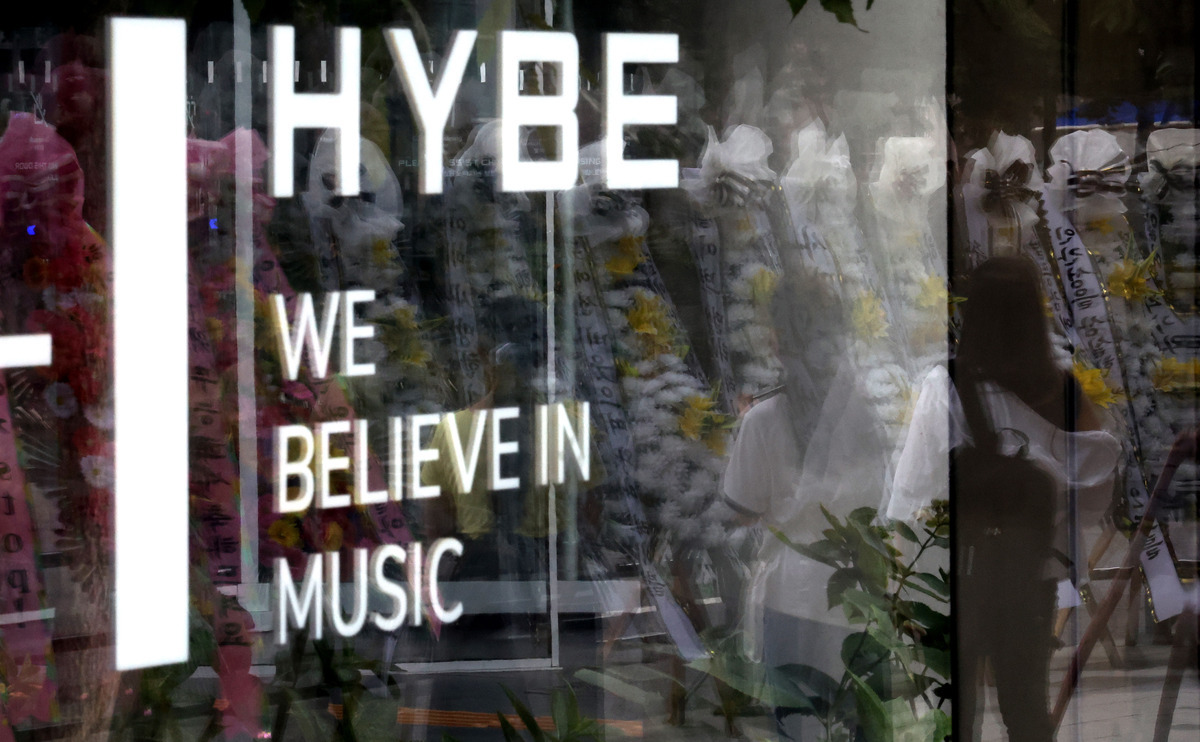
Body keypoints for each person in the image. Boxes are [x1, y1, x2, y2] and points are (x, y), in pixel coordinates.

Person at [893, 257, 1119, 741]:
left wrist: (901, 577)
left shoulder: (948, 385)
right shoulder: (1062, 388)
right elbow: (1095, 487)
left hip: (959, 575)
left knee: (955, 710)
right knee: (1026, 707)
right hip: (1031, 574)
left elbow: (916, 489)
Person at [723, 272, 890, 740]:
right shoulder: (863, 411)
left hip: (793, 589)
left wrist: (746, 428)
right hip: (858, 579)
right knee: (859, 718)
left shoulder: (763, 419)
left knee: (798, 719)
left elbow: (743, 508)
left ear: (779, 339)